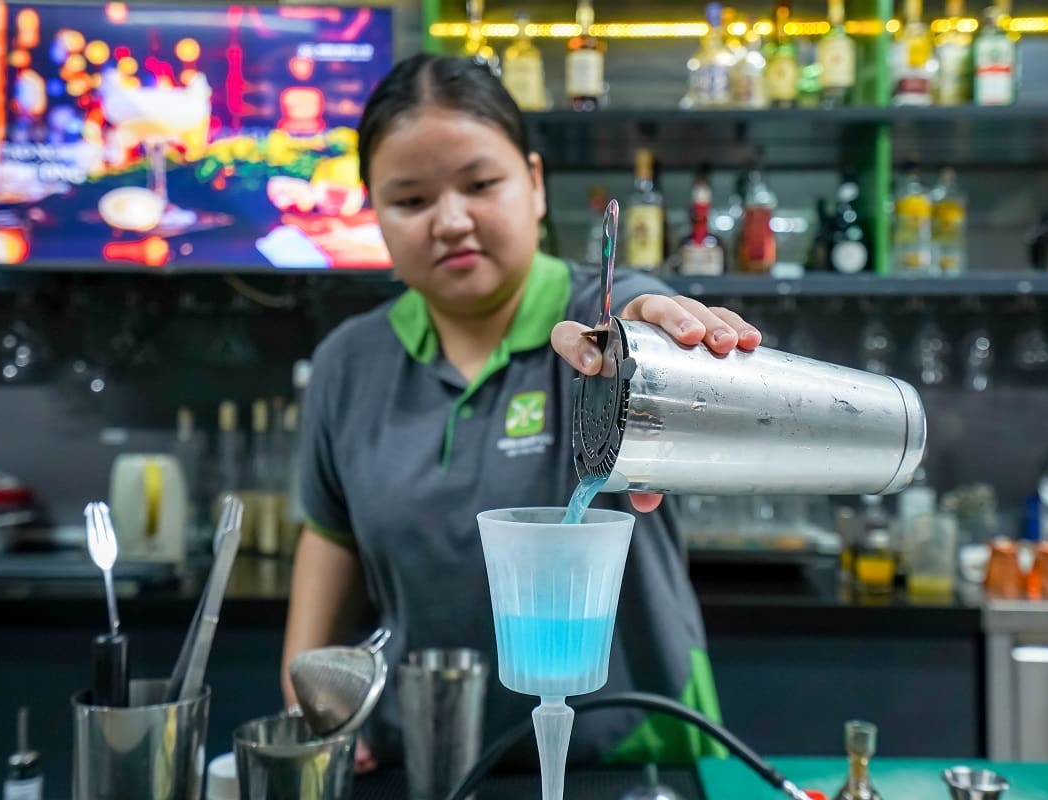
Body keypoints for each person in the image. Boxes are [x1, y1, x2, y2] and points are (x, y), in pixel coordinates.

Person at [280, 53, 763, 773]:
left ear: (534, 185)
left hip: (629, 753)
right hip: (429, 754)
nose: (450, 221)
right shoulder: (351, 364)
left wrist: (649, 345)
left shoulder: (594, 327)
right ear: (373, 214)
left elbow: (631, 318)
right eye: (410, 201)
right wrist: (308, 700)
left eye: (480, 184)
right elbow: (332, 539)